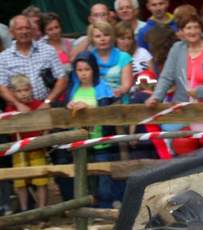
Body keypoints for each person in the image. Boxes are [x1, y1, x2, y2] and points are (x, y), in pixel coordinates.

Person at [66, 51, 118, 208]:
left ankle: (105, 206)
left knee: (104, 176)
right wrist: (68, 106)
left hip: (101, 141)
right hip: (81, 142)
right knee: (87, 176)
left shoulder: (102, 88)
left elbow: (105, 112)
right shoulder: (74, 88)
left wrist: (88, 108)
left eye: (86, 69)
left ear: (94, 69)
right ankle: (90, 207)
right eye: (79, 70)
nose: (83, 74)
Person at [146, 13, 203, 106]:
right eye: (188, 28)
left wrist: (202, 91)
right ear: (182, 31)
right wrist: (156, 97)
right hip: (181, 105)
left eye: (196, 27)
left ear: (201, 30)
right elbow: (166, 77)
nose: (193, 32)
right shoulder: (176, 48)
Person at [0, 15, 67, 111]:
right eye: (20, 29)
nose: (24, 31)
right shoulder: (3, 57)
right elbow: (1, 86)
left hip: (46, 106)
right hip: (18, 109)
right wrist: (18, 104)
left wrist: (47, 102)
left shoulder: (48, 50)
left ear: (32, 30)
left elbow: (62, 79)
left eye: (27, 28)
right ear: (12, 33)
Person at [5, 74, 48, 211]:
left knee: (41, 179)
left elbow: (46, 125)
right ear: (13, 92)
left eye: (25, 90)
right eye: (19, 91)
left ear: (31, 89)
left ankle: (42, 210)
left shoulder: (38, 105)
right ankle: (24, 211)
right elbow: (8, 129)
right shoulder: (10, 109)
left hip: (37, 148)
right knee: (20, 182)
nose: (23, 94)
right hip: (18, 149)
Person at [88, 21, 133, 102]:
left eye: (106, 35)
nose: (102, 39)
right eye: (98, 36)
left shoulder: (124, 57)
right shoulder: (88, 58)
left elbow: (126, 85)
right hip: (93, 101)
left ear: (112, 37)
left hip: (118, 101)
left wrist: (119, 91)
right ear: (92, 39)